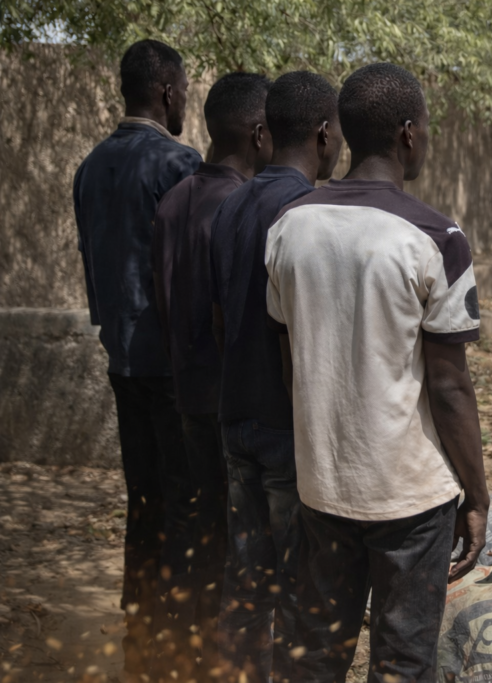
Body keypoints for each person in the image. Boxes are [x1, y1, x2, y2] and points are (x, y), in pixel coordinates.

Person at [264, 63, 489, 682]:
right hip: (409, 499)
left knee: (312, 658)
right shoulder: (437, 237)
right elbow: (449, 388)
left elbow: (291, 362)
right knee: (402, 662)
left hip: (321, 487)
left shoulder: (288, 227)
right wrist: (477, 496)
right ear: (408, 133)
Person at [73, 38, 201, 678]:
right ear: (167, 92)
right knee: (185, 500)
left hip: (122, 359)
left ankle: (140, 627)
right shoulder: (179, 163)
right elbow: (192, 273)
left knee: (144, 496)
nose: (186, 103)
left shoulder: (91, 166)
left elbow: (91, 264)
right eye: (184, 92)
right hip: (172, 366)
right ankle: (176, 635)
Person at [208, 70, 342, 682]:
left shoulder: (230, 203)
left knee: (246, 580)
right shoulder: (308, 213)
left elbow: (219, 316)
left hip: (236, 416)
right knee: (298, 586)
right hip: (289, 428)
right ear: (323, 134)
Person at [150, 71, 273, 674]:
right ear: (259, 134)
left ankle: (196, 652)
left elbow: (163, 302)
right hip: (236, 406)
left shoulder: (174, 199)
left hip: (187, 396)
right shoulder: (242, 207)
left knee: (206, 532)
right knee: (244, 546)